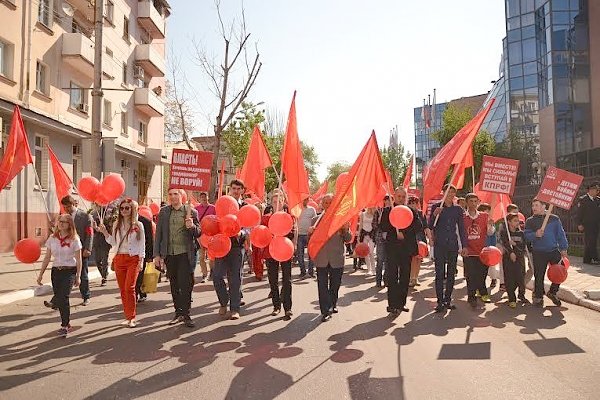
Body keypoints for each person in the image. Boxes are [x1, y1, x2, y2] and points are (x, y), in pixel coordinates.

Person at [154, 188, 201, 327]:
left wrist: (191, 226)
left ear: (182, 196)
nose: (173, 197)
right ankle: (178, 312)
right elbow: (159, 234)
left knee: (185, 284)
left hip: (185, 253)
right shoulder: (164, 212)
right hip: (170, 253)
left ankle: (186, 314)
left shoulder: (191, 211)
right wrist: (157, 254)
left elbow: (198, 232)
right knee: (174, 284)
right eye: (170, 194)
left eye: (176, 194)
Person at [97, 198, 145, 327]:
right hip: (119, 259)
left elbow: (142, 245)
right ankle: (128, 316)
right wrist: (104, 232)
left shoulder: (138, 225)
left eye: (127, 208)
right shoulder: (116, 224)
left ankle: (132, 317)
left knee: (129, 287)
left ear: (132, 209)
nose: (124, 210)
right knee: (123, 289)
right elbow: (113, 242)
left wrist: (141, 260)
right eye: (122, 208)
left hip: (133, 259)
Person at [37, 215, 82, 337]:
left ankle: (62, 322)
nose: (61, 224)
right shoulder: (52, 238)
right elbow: (47, 257)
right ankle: (66, 323)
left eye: (65, 222)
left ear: (70, 224)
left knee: (63, 295)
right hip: (56, 271)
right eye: (60, 221)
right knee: (63, 300)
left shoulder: (74, 239)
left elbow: (79, 260)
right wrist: (41, 274)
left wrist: (78, 276)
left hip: (69, 271)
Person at [380, 187, 423, 314]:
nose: (401, 199)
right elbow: (383, 226)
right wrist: (395, 230)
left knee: (405, 276)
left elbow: (418, 226)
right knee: (392, 276)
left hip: (406, 248)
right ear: (394, 197)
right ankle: (392, 304)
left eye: (403, 197)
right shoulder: (388, 210)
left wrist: (404, 232)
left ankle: (401, 303)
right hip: (392, 248)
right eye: (399, 196)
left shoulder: (411, 211)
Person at [310, 194, 352, 322]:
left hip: (336, 258)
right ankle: (325, 310)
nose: (328, 205)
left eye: (330, 203)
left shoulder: (340, 220)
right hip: (321, 258)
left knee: (335, 284)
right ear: (322, 205)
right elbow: (310, 241)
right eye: (326, 203)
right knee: (322, 285)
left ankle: (333, 303)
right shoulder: (315, 220)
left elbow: (348, 239)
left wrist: (345, 230)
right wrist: (310, 233)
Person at [428, 184, 467, 312]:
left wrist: (464, 245)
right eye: (448, 192)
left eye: (452, 192)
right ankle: (439, 301)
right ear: (443, 192)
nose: (450, 195)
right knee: (439, 274)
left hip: (452, 244)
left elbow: (461, 228)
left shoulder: (457, 209)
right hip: (440, 244)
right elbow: (430, 226)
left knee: (451, 274)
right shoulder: (436, 207)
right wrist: (434, 215)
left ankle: (448, 299)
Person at [213, 179, 247, 320]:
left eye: (239, 189)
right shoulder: (222, 204)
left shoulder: (245, 207)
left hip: (236, 247)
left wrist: (242, 233)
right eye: (234, 188)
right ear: (230, 189)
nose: (236, 191)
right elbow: (215, 222)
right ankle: (223, 301)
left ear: (242, 191)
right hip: (221, 245)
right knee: (217, 276)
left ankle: (235, 309)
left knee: (235, 278)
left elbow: (250, 227)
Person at [524, 198, 568, 307]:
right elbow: (526, 236)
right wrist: (535, 234)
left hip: (553, 250)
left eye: (536, 205)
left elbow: (560, 234)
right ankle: (538, 297)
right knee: (539, 275)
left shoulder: (554, 219)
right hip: (538, 252)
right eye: (533, 205)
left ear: (544, 206)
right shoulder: (530, 220)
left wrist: (563, 248)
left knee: (561, 271)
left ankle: (552, 292)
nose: (534, 208)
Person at [263, 192, 295, 320]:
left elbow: (292, 234)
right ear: (271, 203)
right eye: (274, 202)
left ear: (283, 202)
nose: (277, 204)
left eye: (279, 202)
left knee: (287, 279)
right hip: (271, 251)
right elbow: (263, 236)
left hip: (285, 250)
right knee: (273, 279)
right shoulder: (266, 218)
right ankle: (276, 306)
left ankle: (288, 308)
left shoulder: (289, 217)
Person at [463, 193, 495, 306]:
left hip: (482, 252)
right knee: (471, 275)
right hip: (468, 251)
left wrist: (491, 225)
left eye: (475, 201)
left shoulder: (484, 216)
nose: (473, 203)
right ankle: (471, 297)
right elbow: (458, 233)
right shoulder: (462, 217)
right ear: (466, 203)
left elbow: (490, 232)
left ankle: (483, 293)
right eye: (471, 201)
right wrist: (461, 248)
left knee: (482, 274)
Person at [61, 196, 93, 305]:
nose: (67, 209)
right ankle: (57, 300)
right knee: (65, 275)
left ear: (74, 204)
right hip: (67, 250)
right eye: (65, 207)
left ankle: (86, 296)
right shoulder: (63, 217)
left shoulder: (85, 216)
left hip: (81, 249)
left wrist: (88, 248)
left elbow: (89, 233)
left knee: (83, 274)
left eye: (68, 206)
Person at [500, 213, 529, 308]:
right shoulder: (504, 232)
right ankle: (512, 298)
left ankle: (521, 294)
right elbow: (504, 244)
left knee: (520, 278)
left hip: (519, 259)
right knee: (509, 278)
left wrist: (515, 245)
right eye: (515, 221)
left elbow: (523, 246)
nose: (517, 223)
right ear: (509, 222)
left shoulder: (521, 233)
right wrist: (510, 252)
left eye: (518, 221)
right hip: (508, 260)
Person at [576, 182, 600, 265]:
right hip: (587, 224)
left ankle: (587, 259)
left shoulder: (597, 200)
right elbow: (578, 213)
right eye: (594, 190)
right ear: (590, 190)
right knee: (590, 241)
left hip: (596, 225)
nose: (596, 192)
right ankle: (595, 258)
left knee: (592, 241)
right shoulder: (583, 199)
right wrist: (579, 224)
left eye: (597, 190)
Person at [195, 192, 216, 282]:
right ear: (199, 198)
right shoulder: (196, 209)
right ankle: (204, 274)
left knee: (212, 256)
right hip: (200, 235)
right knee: (201, 257)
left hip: (211, 235)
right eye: (202, 197)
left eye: (205, 196)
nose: (204, 198)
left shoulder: (213, 208)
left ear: (208, 197)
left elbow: (217, 220)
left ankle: (212, 271)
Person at [407, 196, 428, 287]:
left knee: (419, 259)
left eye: (414, 203)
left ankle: (416, 277)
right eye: (410, 203)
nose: (412, 205)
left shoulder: (421, 213)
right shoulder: (406, 213)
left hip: (421, 238)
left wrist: (430, 238)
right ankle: (411, 277)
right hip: (411, 238)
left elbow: (426, 226)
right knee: (412, 259)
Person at [92, 205, 113, 287]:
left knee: (104, 260)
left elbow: (109, 230)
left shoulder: (109, 217)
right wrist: (95, 227)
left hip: (105, 242)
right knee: (97, 261)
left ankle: (104, 277)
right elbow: (94, 230)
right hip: (97, 242)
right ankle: (104, 273)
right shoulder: (94, 216)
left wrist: (102, 229)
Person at [135, 213, 154, 303]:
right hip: (130, 253)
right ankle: (135, 294)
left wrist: (150, 256)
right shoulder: (125, 220)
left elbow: (150, 239)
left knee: (141, 275)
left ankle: (141, 292)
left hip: (143, 252)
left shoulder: (145, 221)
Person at [373, 196, 391, 288]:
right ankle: (378, 280)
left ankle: (386, 279)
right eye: (386, 200)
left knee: (388, 260)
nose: (388, 201)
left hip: (390, 238)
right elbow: (374, 225)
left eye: (389, 199)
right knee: (380, 260)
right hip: (380, 238)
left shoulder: (393, 210)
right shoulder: (378, 211)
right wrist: (380, 221)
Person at [296, 198, 317, 278]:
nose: (304, 201)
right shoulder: (296, 210)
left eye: (306, 199)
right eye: (303, 199)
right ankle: (303, 272)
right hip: (299, 235)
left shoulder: (312, 210)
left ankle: (311, 271)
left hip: (310, 235)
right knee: (300, 255)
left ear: (308, 200)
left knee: (311, 254)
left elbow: (315, 221)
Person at [358, 207, 377, 275]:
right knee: (366, 252)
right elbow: (360, 225)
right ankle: (369, 270)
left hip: (371, 235)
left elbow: (375, 225)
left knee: (371, 252)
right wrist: (358, 236)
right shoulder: (362, 214)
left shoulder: (374, 214)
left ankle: (374, 270)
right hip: (364, 235)